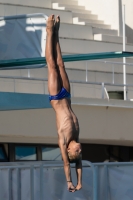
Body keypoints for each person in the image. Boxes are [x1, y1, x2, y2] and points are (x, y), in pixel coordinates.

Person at [45, 15, 82, 192]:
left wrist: (69, 182)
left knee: (51, 65)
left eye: (77, 151)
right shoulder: (76, 137)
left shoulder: (64, 140)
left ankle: (49, 31)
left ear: (69, 150)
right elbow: (79, 165)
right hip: (66, 95)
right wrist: (80, 182)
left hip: (56, 98)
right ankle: (57, 33)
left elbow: (68, 165)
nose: (80, 149)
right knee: (61, 65)